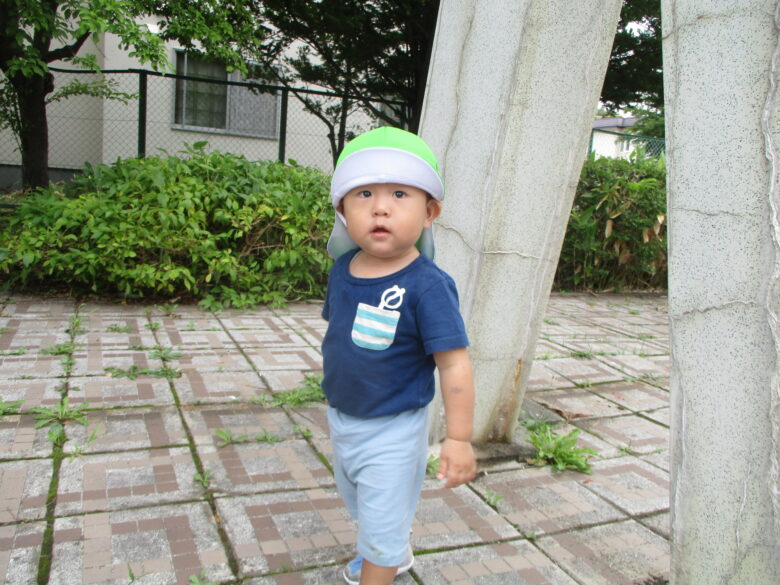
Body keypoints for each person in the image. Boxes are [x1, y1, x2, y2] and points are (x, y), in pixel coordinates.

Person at [320, 126, 477, 585]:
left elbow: (455, 363)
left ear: (430, 212)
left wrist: (458, 438)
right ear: (342, 209)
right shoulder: (343, 269)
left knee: (381, 519)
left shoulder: (428, 286)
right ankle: (389, 545)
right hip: (343, 418)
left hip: (394, 427)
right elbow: (341, 335)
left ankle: (383, 557)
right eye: (364, 193)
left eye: (400, 194)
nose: (380, 207)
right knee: (360, 501)